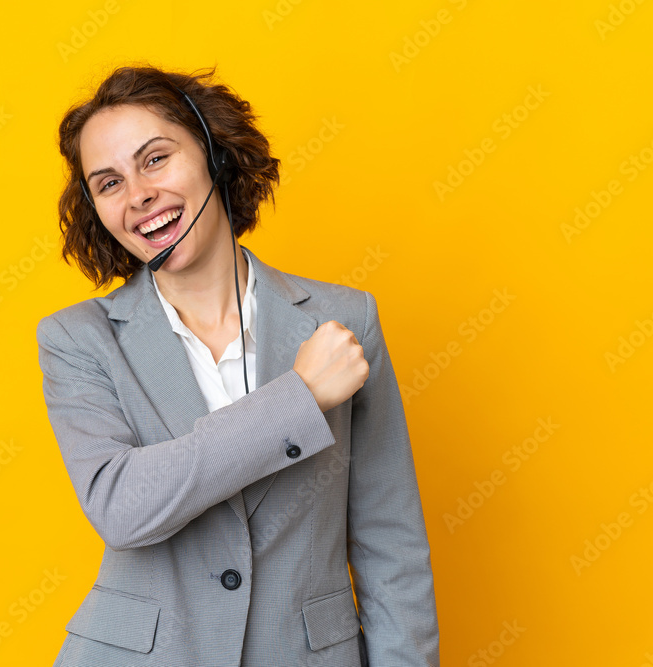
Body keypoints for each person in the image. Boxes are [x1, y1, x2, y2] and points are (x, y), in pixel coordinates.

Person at [37, 64, 439, 667]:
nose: (138, 194)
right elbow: (123, 507)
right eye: (109, 182)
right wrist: (298, 399)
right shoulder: (77, 339)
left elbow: (392, 543)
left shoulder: (343, 321)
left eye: (154, 159)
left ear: (214, 156)